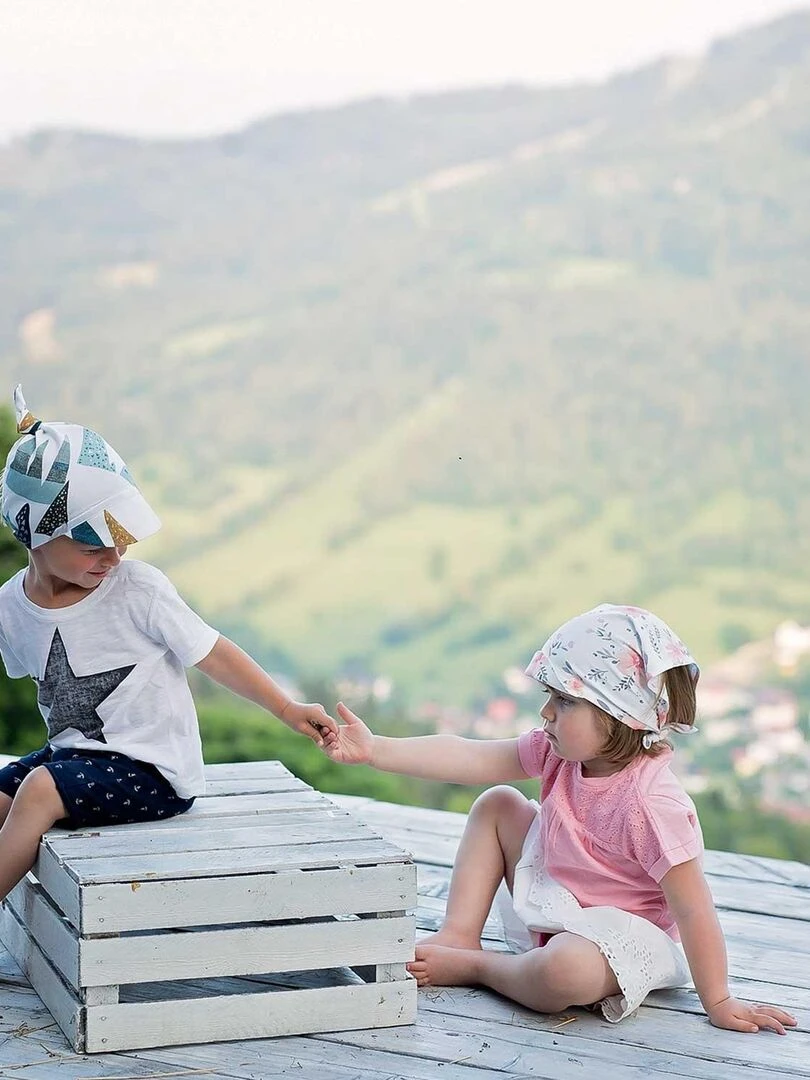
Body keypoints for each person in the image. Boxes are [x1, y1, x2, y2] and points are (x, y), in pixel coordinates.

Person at [321, 603, 797, 1035]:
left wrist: (718, 999)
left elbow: (694, 908)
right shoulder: (559, 753)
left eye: (565, 701)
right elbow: (469, 756)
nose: (546, 712)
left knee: (564, 972)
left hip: (617, 938)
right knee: (499, 802)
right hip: (558, 899)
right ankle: (461, 936)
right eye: (551, 695)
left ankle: (478, 967)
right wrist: (376, 750)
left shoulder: (653, 804)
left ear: (619, 715)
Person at [0, 386, 336, 905]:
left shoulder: (139, 590)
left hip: (154, 771)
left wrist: (287, 708)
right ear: (36, 537)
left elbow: (213, 652)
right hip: (73, 754)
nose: (112, 557)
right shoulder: (11, 607)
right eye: (93, 545)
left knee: (39, 791)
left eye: (122, 541)